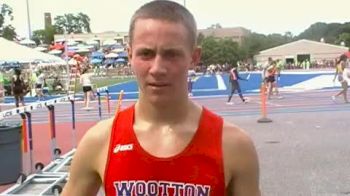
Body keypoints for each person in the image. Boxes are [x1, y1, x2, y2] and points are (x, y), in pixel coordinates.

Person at [62, 1, 260, 195]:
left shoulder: (233, 145)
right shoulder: (99, 141)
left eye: (171, 54)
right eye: (146, 54)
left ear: (194, 57)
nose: (157, 69)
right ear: (130, 55)